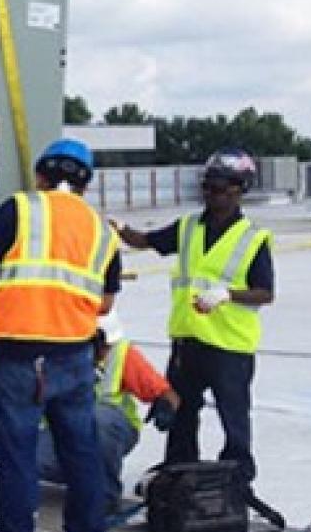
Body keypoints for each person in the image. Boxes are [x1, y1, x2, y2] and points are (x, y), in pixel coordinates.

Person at [0, 138, 121, 532]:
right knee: (82, 456)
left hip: (20, 355)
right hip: (74, 356)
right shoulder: (101, 229)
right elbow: (105, 303)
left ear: (41, 174)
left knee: (18, 459)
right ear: (86, 182)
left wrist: (13, 293)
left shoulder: (20, 208)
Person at [114, 147, 273, 497]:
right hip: (187, 341)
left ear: (241, 188)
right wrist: (119, 229)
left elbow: (265, 292)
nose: (216, 193)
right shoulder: (188, 227)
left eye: (225, 186)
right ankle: (179, 470)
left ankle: (238, 478)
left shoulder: (252, 238)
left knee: (233, 417)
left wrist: (229, 295)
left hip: (229, 345)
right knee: (181, 412)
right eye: (211, 186)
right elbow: (148, 241)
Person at [37, 312, 180, 517]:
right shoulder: (54, 356)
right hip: (65, 433)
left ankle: (104, 496)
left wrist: (165, 405)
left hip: (109, 430)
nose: (105, 352)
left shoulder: (120, 354)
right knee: (5, 447)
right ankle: (82, 479)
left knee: (97, 419)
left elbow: (166, 393)